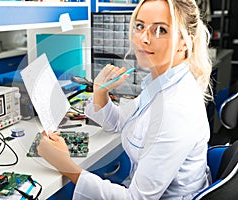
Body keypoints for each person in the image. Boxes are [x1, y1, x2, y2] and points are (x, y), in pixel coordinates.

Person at [37, 0, 213, 199]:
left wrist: (66, 166)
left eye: (160, 30)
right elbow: (121, 122)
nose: (143, 39)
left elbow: (137, 198)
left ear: (184, 42)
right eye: (140, 26)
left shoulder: (175, 108)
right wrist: (100, 92)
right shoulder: (161, 83)